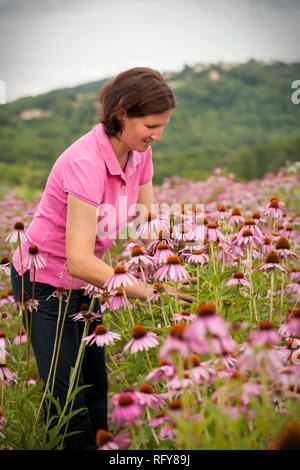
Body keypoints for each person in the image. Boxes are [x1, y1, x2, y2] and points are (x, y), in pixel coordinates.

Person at [10, 67, 193, 450]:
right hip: (44, 281)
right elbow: (77, 259)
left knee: (95, 386)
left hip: (94, 279)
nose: (158, 135)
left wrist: (175, 261)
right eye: (151, 125)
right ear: (122, 114)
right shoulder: (86, 163)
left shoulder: (140, 154)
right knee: (67, 399)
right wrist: (148, 292)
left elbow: (144, 222)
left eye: (164, 126)